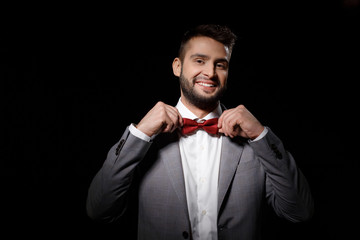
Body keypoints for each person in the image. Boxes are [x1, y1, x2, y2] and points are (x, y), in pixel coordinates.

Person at [86, 24, 314, 240]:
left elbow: (299, 212)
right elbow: (99, 209)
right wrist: (140, 133)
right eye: (199, 60)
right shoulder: (147, 138)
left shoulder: (255, 140)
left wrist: (261, 136)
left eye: (220, 64)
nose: (210, 72)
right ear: (177, 66)